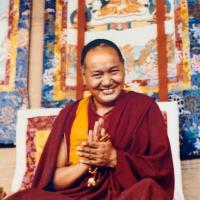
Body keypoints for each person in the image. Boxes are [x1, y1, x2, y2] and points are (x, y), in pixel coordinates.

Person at [6, 39, 174, 200]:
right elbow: (54, 180)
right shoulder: (70, 114)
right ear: (84, 75)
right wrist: (87, 162)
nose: (107, 81)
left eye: (114, 71)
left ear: (124, 68)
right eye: (97, 74)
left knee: (148, 190)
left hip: (126, 196)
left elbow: (161, 170)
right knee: (24, 198)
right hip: (78, 197)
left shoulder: (144, 107)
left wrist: (114, 158)